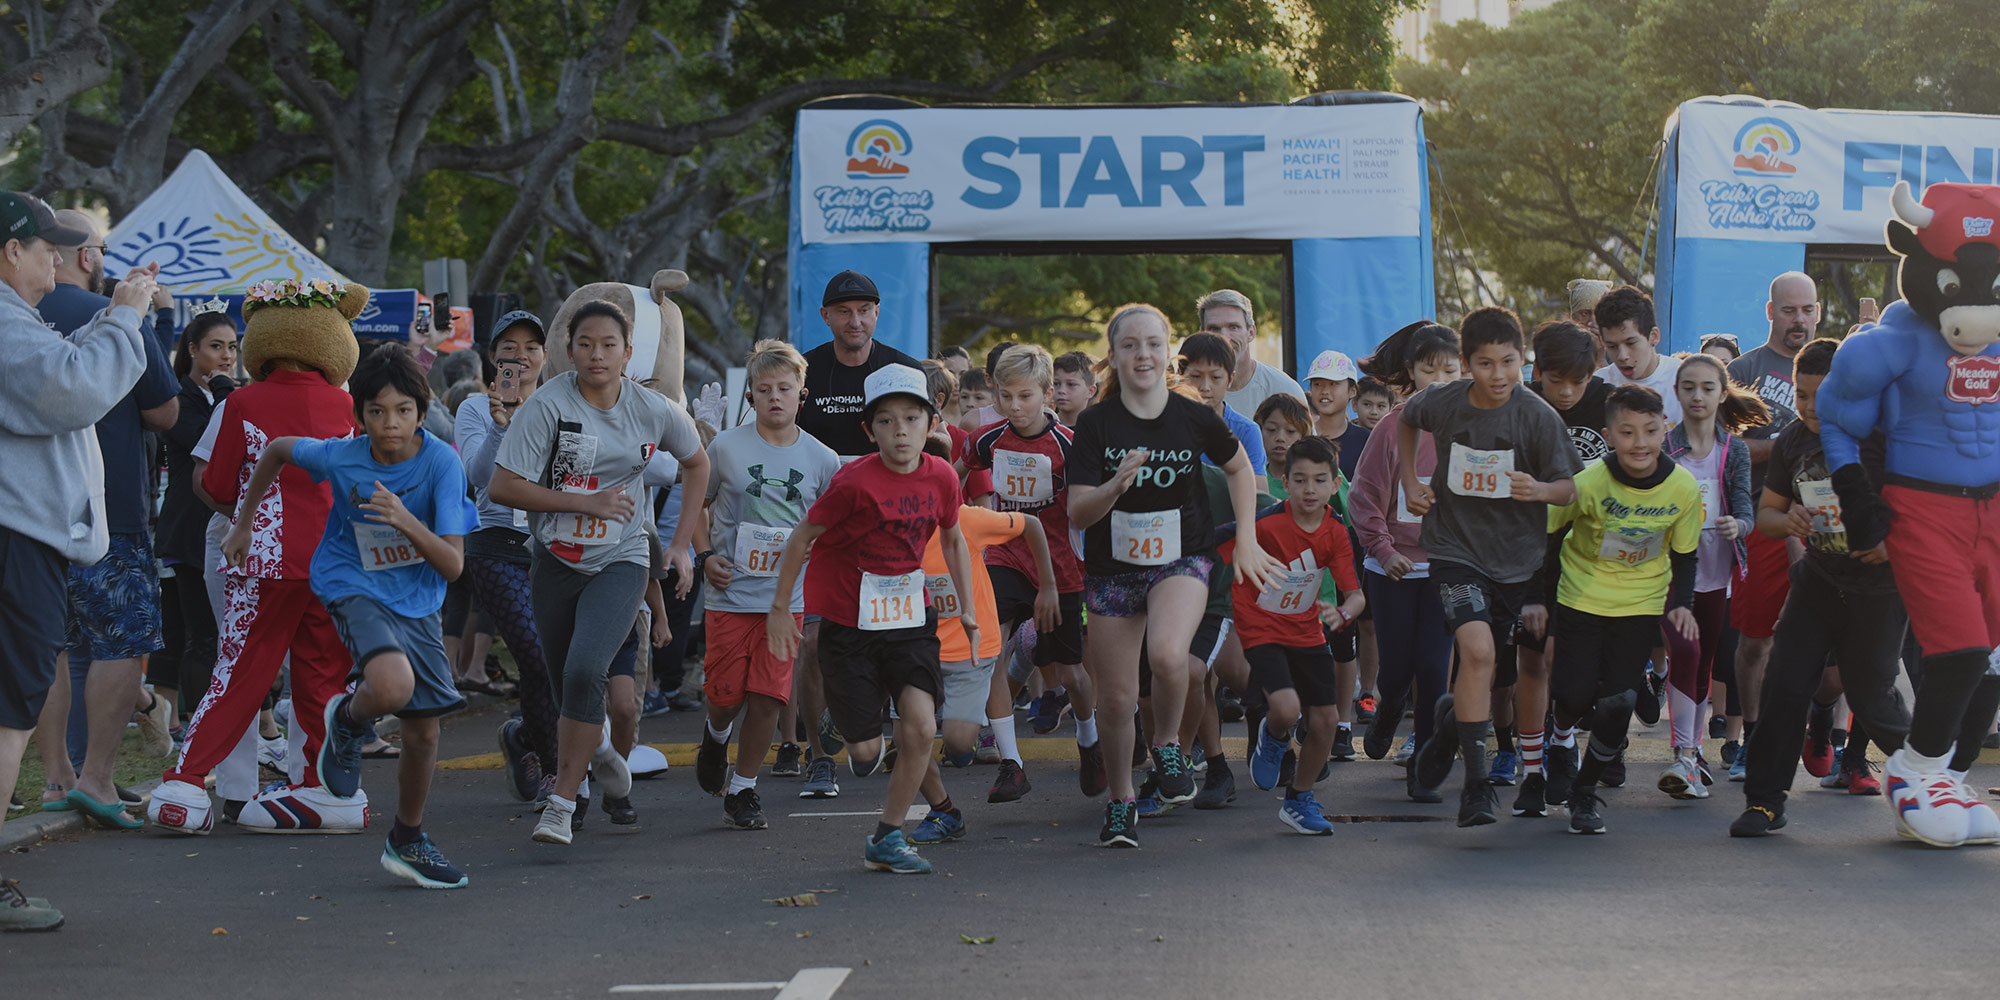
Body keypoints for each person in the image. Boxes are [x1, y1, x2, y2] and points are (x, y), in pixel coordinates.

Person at [220, 345, 478, 886]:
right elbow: (277, 451)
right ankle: (350, 721)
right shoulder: (342, 455)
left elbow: (453, 565)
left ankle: (407, 839)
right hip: (350, 582)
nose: (390, 424)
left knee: (424, 734)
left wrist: (405, 519)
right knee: (390, 684)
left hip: (418, 599)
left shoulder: (442, 463)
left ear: (422, 410)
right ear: (358, 415)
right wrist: (243, 524)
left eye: (403, 411)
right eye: (377, 412)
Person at [1814, 181, 2000, 848]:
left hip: (1995, 508)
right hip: (1924, 506)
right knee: (1960, 649)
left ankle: (1945, 773)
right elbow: (1836, 421)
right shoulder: (1889, 344)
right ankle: (1914, 769)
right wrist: (1856, 496)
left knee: (1992, 660)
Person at [151, 280, 368, 836]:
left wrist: (247, 508)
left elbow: (216, 483)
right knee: (323, 678)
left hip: (262, 561)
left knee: (240, 674)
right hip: (335, 563)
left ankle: (186, 783)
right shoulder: (349, 407)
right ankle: (325, 790)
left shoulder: (242, 402)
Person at [490, 301, 710, 845]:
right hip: (555, 559)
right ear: (571, 351)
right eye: (585, 343)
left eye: (609, 345)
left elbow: (697, 462)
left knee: (590, 669)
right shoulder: (547, 406)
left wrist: (681, 546)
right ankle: (606, 753)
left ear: (627, 353)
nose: (597, 354)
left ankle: (562, 804)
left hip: (622, 557)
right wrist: (585, 504)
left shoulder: (651, 407)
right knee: (568, 684)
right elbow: (502, 487)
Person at [1069, 303, 1277, 847]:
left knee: (1168, 655)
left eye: (1154, 344)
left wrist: (1248, 539)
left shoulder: (1192, 416)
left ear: (1168, 356)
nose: (1143, 354)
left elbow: (1238, 468)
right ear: (1113, 355)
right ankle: (1121, 801)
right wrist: (1114, 485)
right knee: (1114, 701)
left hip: (1182, 558)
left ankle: (1166, 743)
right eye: (1131, 345)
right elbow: (1077, 514)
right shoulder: (1094, 423)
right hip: (1113, 570)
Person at [0, 191, 152, 931]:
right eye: (41, 246)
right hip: (14, 539)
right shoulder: (1, 320)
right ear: (9, 252)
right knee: (6, 711)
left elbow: (59, 372)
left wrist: (109, 318)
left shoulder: (17, 322)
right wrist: (124, 316)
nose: (54, 259)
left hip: (23, 537)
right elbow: (72, 389)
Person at [763, 363, 980, 874]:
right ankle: (846, 715)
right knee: (863, 754)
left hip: (908, 617)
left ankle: (887, 837)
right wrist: (780, 609)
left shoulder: (942, 476)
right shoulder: (852, 482)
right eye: (886, 421)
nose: (900, 430)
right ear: (869, 430)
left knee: (921, 728)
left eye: (911, 417)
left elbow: (951, 537)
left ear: (932, 422)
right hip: (848, 620)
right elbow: (801, 538)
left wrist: (966, 607)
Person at [1399, 307, 1581, 826]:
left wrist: (1541, 490)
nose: (1499, 375)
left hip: (1518, 562)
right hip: (1455, 550)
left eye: (1509, 362)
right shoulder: (1444, 400)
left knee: (1488, 671)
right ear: (1465, 364)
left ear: (1523, 361)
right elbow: (1406, 420)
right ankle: (1477, 786)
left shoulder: (1537, 416)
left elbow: (1572, 487)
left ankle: (1447, 727)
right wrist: (1412, 480)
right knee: (1476, 654)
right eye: (1485, 363)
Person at [30, 209, 180, 827]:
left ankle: (55, 778)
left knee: (50, 646)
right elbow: (165, 413)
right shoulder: (118, 317)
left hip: (30, 509)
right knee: (120, 641)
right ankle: (97, 778)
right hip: (110, 506)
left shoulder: (16, 318)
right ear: (87, 256)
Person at [1729, 339, 1909, 836]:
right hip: (1818, 582)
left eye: (1821, 395)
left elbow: (1926, 515)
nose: (1810, 407)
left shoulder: (1887, 437)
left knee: (1873, 698)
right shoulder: (1791, 441)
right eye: (1802, 395)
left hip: (1879, 589)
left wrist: (1893, 544)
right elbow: (1765, 514)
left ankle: (1935, 778)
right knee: (1784, 685)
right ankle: (1764, 801)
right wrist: (1787, 521)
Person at [1544, 385, 1704, 834]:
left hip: (1640, 605)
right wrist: (1539, 600)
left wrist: (1683, 606)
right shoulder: (1589, 482)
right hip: (1581, 599)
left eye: (1650, 431)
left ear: (1665, 430)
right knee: (1573, 697)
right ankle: (1560, 738)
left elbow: (1686, 554)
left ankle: (1585, 791)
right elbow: (1551, 538)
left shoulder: (1682, 486)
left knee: (1619, 702)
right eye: (1627, 432)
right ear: (1608, 435)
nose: (1640, 442)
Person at [696, 340, 839, 830]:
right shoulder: (727, 447)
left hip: (787, 600)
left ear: (803, 394)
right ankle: (715, 737)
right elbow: (698, 503)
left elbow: (832, 526)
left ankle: (743, 789)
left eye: (785, 388)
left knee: (769, 698)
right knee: (727, 695)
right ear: (751, 396)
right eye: (764, 389)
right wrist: (705, 554)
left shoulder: (822, 459)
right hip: (731, 595)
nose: (775, 397)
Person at [794, 270, 921, 796]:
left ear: (875, 314)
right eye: (844, 311)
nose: (855, 320)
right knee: (814, 640)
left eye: (864, 309)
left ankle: (879, 729)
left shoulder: (903, 370)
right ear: (826, 317)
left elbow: (926, 445)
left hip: (891, 527)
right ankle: (819, 755)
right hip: (821, 523)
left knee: (889, 637)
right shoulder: (804, 369)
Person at [961, 345, 1098, 802]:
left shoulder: (1069, 446)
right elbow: (954, 475)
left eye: (1024, 396)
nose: (1014, 406)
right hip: (1004, 557)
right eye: (1005, 396)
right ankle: (1011, 762)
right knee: (987, 649)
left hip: (1060, 568)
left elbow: (1087, 507)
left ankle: (1089, 739)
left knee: (1073, 673)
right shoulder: (986, 438)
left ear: (1048, 395)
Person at [913, 454, 1057, 844]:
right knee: (910, 735)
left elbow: (1031, 524)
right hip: (915, 645)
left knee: (959, 744)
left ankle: (981, 746)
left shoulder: (968, 519)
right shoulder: (894, 527)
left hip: (969, 644)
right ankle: (941, 812)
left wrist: (1048, 585)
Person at [1227, 436, 1367, 834]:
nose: (1310, 489)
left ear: (1335, 484)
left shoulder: (1336, 533)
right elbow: (1212, 548)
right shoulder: (1262, 523)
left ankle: (1299, 799)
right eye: (1301, 480)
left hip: (1307, 631)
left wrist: (1342, 613)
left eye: (1320, 480)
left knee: (1325, 720)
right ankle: (1273, 736)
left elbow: (1355, 596)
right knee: (1287, 709)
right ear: (1284, 482)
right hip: (1260, 628)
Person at [1349, 322, 1461, 791]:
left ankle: (1425, 768)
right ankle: (1388, 710)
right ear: (1411, 372)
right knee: (1396, 669)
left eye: (1449, 370)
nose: (1439, 380)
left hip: (1447, 567)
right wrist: (1383, 548)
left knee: (1435, 667)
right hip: (1391, 567)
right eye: (1428, 370)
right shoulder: (1392, 428)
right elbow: (1362, 497)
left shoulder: (1473, 427)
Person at [457, 310, 562, 804]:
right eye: (510, 348)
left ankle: (527, 737)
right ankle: (556, 772)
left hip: (555, 545)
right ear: (492, 357)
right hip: (496, 545)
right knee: (535, 654)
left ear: (545, 356)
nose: (521, 357)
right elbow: (479, 477)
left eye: (531, 348)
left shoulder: (563, 404)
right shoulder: (475, 408)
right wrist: (503, 423)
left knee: (554, 661)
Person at [1511, 321, 1610, 813]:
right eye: (1556, 381)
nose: (1567, 392)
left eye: (1579, 381)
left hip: (1594, 559)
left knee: (1573, 666)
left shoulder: (1614, 403)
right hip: (1530, 550)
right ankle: (1532, 769)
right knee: (1531, 660)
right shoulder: (1520, 405)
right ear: (1537, 370)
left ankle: (1564, 738)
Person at [1723, 271, 1818, 781]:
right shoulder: (1744, 369)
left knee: (1831, 645)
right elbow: (1726, 447)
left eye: (1806, 310)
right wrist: (1785, 443)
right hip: (1762, 517)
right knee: (1756, 640)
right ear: (1770, 311)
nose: (1798, 319)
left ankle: (1830, 736)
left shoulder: (1835, 363)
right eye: (1788, 310)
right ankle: (1751, 740)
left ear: (1818, 312)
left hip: (1825, 524)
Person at [1657, 353, 1763, 798]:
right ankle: (1683, 755)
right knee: (1684, 651)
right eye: (1688, 388)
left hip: (1718, 572)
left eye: (1706, 388)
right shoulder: (1664, 447)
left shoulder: (1733, 449)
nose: (1697, 396)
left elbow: (1747, 513)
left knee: (1703, 665)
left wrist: (1735, 526)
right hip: (1669, 573)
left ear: (1722, 394)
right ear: (1677, 394)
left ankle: (1693, 754)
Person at [154, 307, 239, 750]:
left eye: (231, 347)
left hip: (227, 526)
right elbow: (217, 442)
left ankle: (219, 722)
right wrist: (228, 397)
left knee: (225, 632)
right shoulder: (180, 400)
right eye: (215, 346)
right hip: (189, 527)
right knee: (198, 633)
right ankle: (193, 723)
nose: (226, 356)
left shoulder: (226, 395)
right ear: (191, 350)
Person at [1198, 289, 1307, 414]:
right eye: (1214, 329)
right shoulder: (1188, 393)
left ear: (1251, 333)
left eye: (1233, 327)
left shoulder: (1284, 389)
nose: (1224, 337)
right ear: (1202, 334)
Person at [1593, 286, 1683, 427]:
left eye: (1631, 343)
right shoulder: (1598, 386)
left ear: (1654, 336)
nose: (1622, 356)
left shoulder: (1684, 379)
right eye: (1612, 346)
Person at [1177, 332, 1267, 471]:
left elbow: (1258, 490)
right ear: (1180, 375)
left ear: (1230, 379)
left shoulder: (1247, 431)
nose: (1205, 387)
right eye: (1195, 376)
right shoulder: (1164, 425)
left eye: (1215, 377)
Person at [1303, 350, 1369, 481]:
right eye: (1317, 384)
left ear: (1352, 391)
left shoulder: (1366, 440)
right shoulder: (1302, 435)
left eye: (1333, 384)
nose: (1325, 391)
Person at [1051, 350, 1099, 427]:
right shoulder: (1041, 427)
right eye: (1056, 383)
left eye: (1071, 384)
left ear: (1091, 391)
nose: (1061, 390)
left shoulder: (1098, 431)